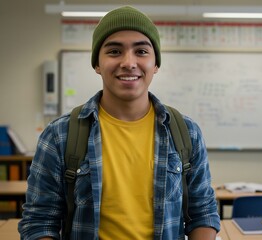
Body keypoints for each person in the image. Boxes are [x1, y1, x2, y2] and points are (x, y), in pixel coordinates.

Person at [18, 5, 220, 240]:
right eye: (114, 51)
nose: (128, 62)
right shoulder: (59, 135)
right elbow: (40, 221)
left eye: (141, 51)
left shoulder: (186, 132)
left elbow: (203, 213)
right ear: (97, 64)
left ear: (156, 64)